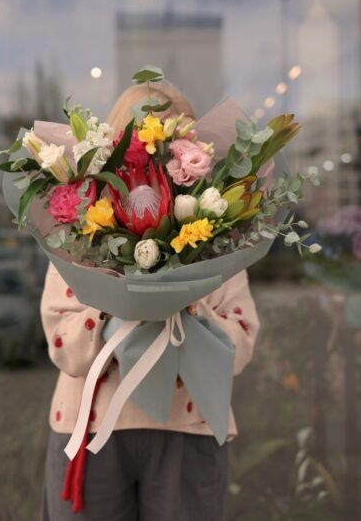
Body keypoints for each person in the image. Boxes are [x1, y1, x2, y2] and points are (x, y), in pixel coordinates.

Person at [40, 80, 260, 521]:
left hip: (189, 427)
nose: (155, 158)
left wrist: (188, 307)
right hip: (90, 425)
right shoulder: (78, 235)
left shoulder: (220, 243)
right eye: (141, 144)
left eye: (172, 147)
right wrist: (112, 304)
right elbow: (63, 345)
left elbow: (240, 344)